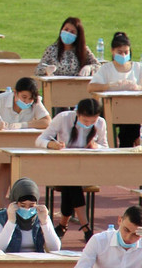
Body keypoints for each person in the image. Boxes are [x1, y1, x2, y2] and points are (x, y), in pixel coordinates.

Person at [37, 98, 108, 240]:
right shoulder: (63, 118)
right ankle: (86, 228)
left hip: (87, 169)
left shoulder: (100, 123)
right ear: (77, 114)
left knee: (72, 183)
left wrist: (96, 147)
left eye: (91, 122)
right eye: (85, 121)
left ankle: (64, 225)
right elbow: (40, 140)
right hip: (62, 168)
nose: (88, 124)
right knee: (71, 181)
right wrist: (52, 145)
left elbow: (106, 147)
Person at [0, 77, 52, 205]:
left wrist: (24, 125)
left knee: (23, 163)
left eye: (30, 98)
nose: (27, 101)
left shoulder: (36, 101)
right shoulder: (0, 99)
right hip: (1, 144)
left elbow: (47, 121)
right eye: (24, 97)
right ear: (15, 93)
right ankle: (0, 204)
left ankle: (22, 202)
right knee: (6, 162)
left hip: (24, 145)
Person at [88, 31, 142, 146]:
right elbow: (91, 87)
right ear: (112, 51)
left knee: (130, 129)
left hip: (132, 111)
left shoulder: (138, 68)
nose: (123, 55)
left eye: (126, 52)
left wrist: (137, 87)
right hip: (110, 110)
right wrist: (109, 85)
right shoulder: (106, 69)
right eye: (119, 52)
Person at [0, 177, 62, 253]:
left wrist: (44, 223)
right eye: (22, 205)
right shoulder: (0, 216)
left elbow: (55, 248)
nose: (27, 209)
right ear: (14, 202)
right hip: (12, 262)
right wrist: (11, 222)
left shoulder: (41, 215)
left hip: (36, 262)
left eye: (31, 206)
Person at [75, 205, 142, 266]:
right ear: (119, 220)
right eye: (126, 230)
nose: (128, 238)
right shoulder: (98, 241)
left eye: (136, 234)